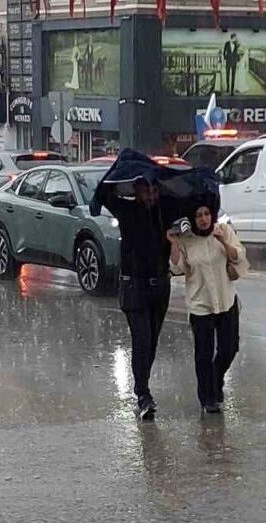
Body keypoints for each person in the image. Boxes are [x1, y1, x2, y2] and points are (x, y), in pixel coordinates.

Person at [91, 174, 176, 421]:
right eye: (145, 190)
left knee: (152, 342)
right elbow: (104, 193)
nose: (150, 195)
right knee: (142, 340)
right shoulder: (126, 209)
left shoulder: (164, 210)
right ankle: (143, 395)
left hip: (160, 286)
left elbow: (190, 202)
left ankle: (143, 385)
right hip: (134, 287)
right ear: (136, 190)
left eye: (153, 190)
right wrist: (121, 174)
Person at [168, 204, 247, 414]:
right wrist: (175, 244)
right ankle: (207, 398)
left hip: (225, 299)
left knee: (229, 348)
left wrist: (222, 240)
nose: (203, 219)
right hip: (200, 304)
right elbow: (176, 268)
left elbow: (238, 255)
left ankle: (216, 378)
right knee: (203, 353)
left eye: (206, 214)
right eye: (198, 215)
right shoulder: (187, 239)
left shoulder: (223, 231)